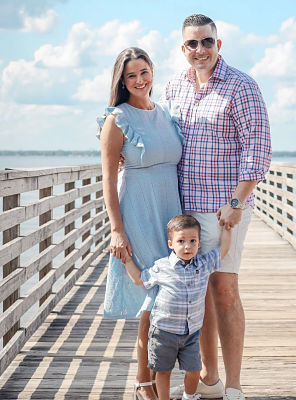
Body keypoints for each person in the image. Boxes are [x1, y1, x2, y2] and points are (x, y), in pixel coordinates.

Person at [165, 14, 272, 400]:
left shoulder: (242, 86)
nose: (200, 50)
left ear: (218, 44)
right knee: (198, 294)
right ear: (183, 48)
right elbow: (161, 131)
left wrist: (236, 202)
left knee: (224, 290)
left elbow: (257, 151)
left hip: (224, 208)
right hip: (184, 211)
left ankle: (234, 385)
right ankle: (208, 379)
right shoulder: (174, 86)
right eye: (192, 44)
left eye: (207, 42)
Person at [97, 47, 183, 400]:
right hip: (138, 211)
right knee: (153, 298)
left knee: (165, 299)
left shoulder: (165, 112)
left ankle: (149, 379)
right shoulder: (117, 119)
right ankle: (144, 383)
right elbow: (107, 181)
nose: (139, 80)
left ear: (152, 70)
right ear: (121, 81)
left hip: (170, 215)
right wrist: (117, 230)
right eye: (130, 75)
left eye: (143, 72)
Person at [124, 214, 232, 400]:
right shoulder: (162, 267)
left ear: (199, 243)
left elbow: (223, 250)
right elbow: (139, 279)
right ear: (171, 244)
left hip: (191, 332)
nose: (187, 246)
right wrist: (126, 260)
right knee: (163, 371)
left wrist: (228, 229)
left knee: (194, 370)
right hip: (164, 332)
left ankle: (189, 397)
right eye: (181, 241)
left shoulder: (203, 264)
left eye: (192, 241)